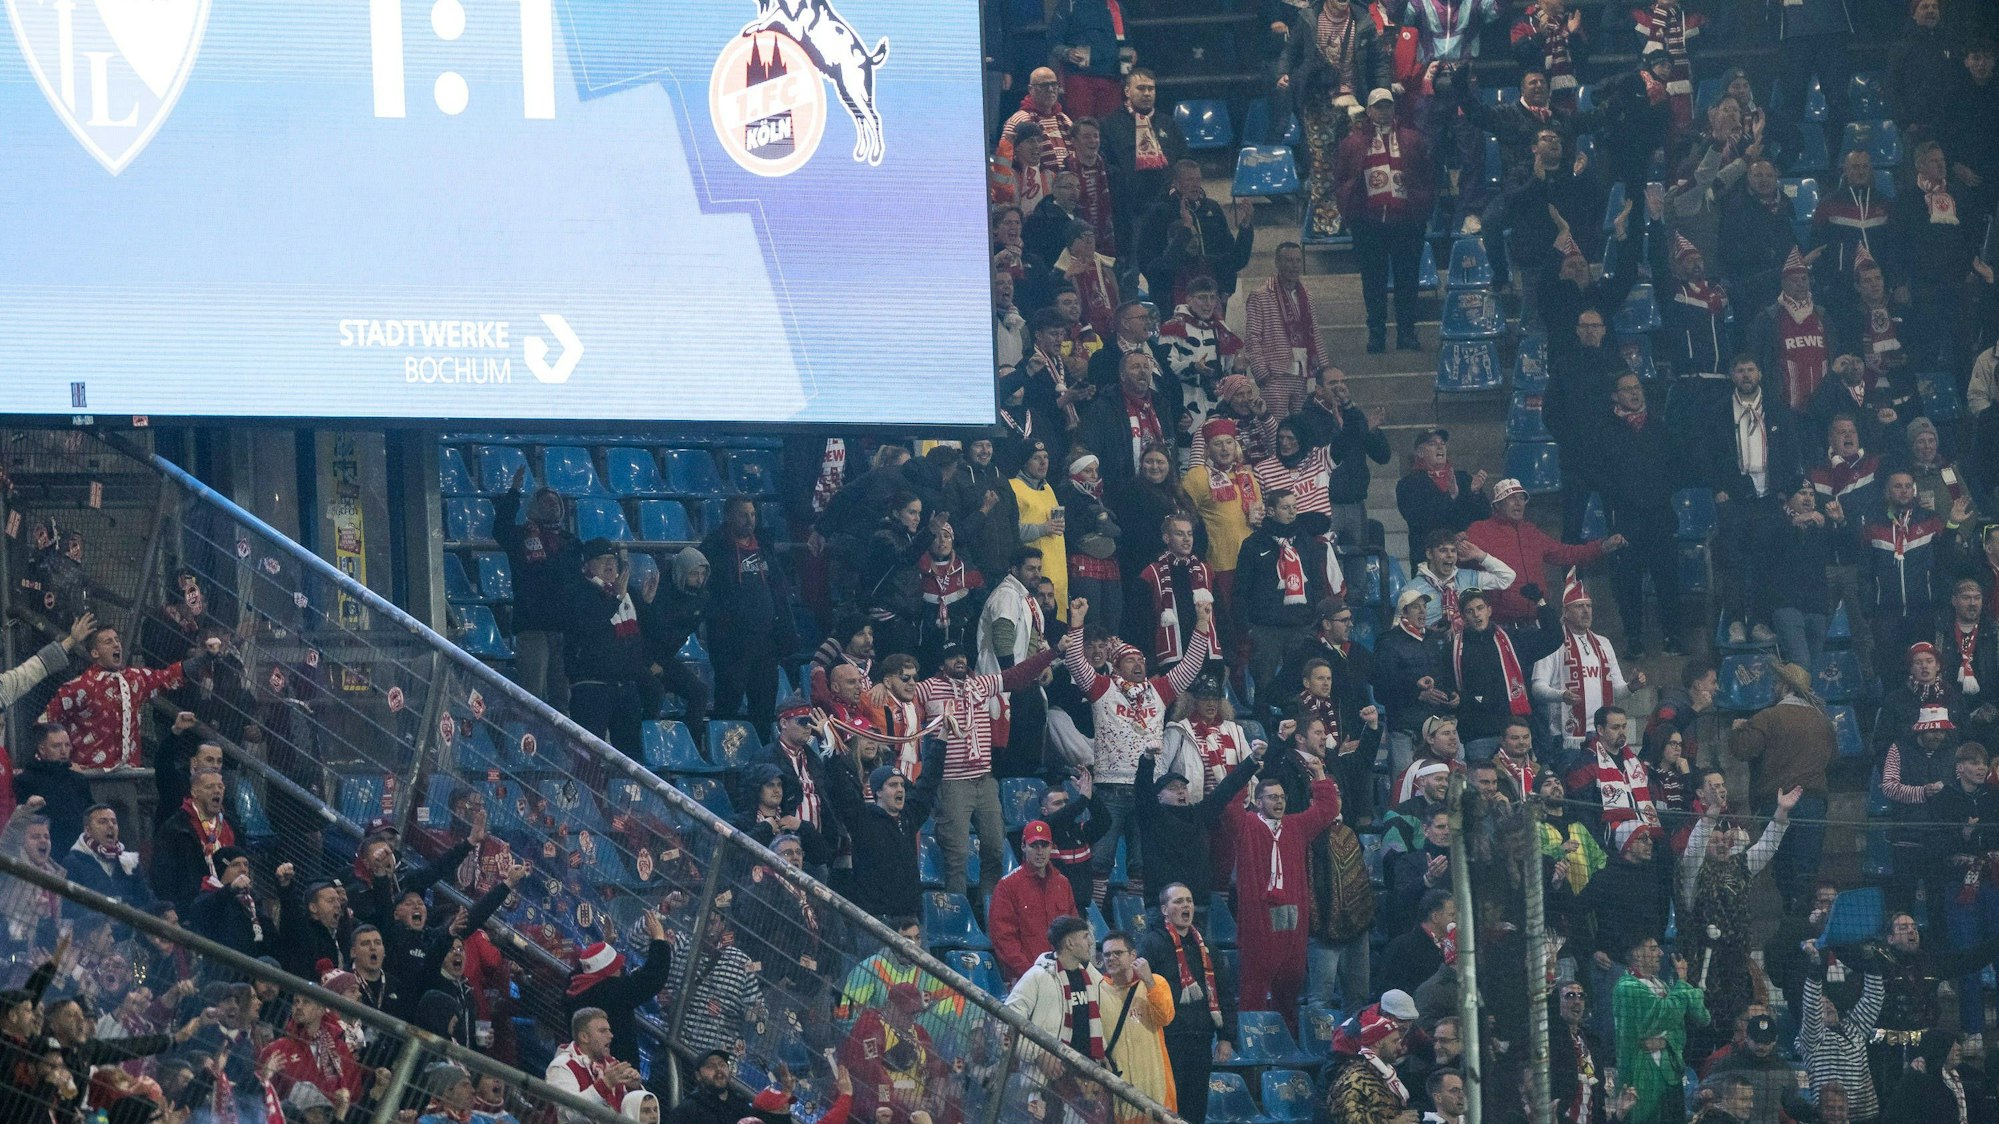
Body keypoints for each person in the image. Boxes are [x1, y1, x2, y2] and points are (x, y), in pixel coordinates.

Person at [1062, 597, 1213, 899]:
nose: (1139, 663)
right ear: (1116, 666)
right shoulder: (1102, 688)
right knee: (1100, 863)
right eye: (1131, 660)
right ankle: (1096, 921)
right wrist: (1076, 623)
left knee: (1142, 866)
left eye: (1142, 660)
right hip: (1109, 790)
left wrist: (1202, 624)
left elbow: (1191, 665)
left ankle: (1134, 922)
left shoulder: (1158, 691)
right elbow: (1077, 663)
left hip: (1147, 792)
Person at [918, 628, 1059, 908]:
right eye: (950, 657)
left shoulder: (981, 684)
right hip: (952, 783)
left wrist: (1053, 653)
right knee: (956, 855)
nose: (958, 660)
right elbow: (899, 691)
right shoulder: (927, 688)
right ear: (940, 663)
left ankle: (992, 913)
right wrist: (881, 685)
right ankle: (956, 915)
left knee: (995, 849)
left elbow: (1018, 675)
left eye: (961, 654)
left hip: (985, 780)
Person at [1225, 753, 1343, 1031]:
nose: (1279, 802)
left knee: (1291, 976)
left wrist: (1319, 775)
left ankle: (1286, 1036)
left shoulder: (1296, 826)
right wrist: (1248, 768)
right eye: (1271, 797)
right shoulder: (1247, 825)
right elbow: (1229, 805)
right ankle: (1251, 1036)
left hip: (1292, 912)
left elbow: (1326, 809)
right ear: (1257, 801)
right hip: (1259, 912)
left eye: (1281, 797)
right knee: (1256, 976)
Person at [1696, 356, 1802, 645]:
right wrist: (1718, 489)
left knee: (1766, 563)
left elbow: (1792, 452)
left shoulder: (1778, 410)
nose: (1746, 375)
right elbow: (1706, 454)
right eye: (1740, 370)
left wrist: (1785, 488)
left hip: (1769, 497)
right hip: (1734, 498)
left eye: (1750, 370)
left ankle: (1760, 621)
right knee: (1733, 563)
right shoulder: (1718, 412)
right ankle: (1734, 622)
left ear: (1760, 374)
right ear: (1732, 375)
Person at [1276, 0, 1390, 239]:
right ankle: (1326, 220)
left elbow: (1379, 61)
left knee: (1359, 160)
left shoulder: (1364, 21)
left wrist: (1382, 94)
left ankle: (1358, 216)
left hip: (1354, 103)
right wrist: (1283, 73)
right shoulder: (1309, 19)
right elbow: (1290, 51)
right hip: (1318, 101)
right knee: (1322, 162)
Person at [1725, 662, 1834, 908]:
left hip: (1775, 801)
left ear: (1785, 687)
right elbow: (1833, 756)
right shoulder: (1822, 721)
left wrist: (1736, 731)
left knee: (1782, 866)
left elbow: (1743, 750)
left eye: (1776, 683)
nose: (1773, 686)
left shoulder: (1768, 717)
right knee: (1806, 869)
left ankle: (1789, 917)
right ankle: (1803, 919)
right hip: (1813, 801)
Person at [1335, 89, 1435, 352]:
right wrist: (1351, 213)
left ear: (1394, 108)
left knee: (1407, 280)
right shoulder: (1353, 143)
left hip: (1406, 221)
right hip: (1368, 222)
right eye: (1378, 107)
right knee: (1373, 282)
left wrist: (1422, 208)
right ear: (1369, 111)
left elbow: (1427, 175)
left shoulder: (1412, 139)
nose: (1383, 111)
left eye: (1387, 106)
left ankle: (1407, 333)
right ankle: (1376, 334)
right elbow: (1342, 179)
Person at [1135, 883, 1236, 1123]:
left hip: (1201, 1039)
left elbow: (1224, 991)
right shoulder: (1151, 943)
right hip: (1167, 1040)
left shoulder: (1206, 945)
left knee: (1196, 1107)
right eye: (1178, 901)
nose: (1186, 906)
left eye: (1188, 900)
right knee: (1169, 1107)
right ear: (1164, 909)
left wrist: (1226, 1036)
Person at [1464, 477, 1617, 628]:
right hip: (1500, 625)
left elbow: (1565, 553)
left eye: (1521, 498)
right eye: (1511, 498)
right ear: (1497, 505)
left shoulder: (1531, 532)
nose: (1518, 503)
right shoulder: (1479, 531)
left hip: (1534, 622)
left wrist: (1602, 546)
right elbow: (1456, 560)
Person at [700, 496, 795, 731]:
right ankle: (724, 756)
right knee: (728, 702)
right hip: (731, 643)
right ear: (728, 516)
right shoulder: (714, 547)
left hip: (766, 640)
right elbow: (706, 593)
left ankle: (761, 753)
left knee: (764, 705)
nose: (749, 520)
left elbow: (778, 588)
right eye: (743, 514)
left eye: (753, 514)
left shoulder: (764, 545)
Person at [1533, 574, 1644, 751]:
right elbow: (1537, 688)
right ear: (1566, 612)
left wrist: (1631, 687)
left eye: (1589, 606)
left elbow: (1617, 690)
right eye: (1579, 606)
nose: (1586, 611)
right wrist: (1562, 695)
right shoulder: (1553, 642)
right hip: (1567, 735)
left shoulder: (1603, 643)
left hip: (1602, 732)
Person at [493, 477, 577, 708]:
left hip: (562, 628)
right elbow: (499, 528)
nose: (554, 505)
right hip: (532, 626)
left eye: (556, 502)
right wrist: (514, 492)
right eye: (547, 501)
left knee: (563, 697)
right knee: (532, 695)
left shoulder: (570, 543)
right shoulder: (521, 537)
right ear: (535, 507)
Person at [1613, 936, 1710, 1124]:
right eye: (1653, 949)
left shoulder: (1662, 985)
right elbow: (1664, 1014)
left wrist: (1665, 1041)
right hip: (1641, 1079)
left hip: (1671, 1075)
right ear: (1637, 954)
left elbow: (1681, 1029)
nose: (1661, 953)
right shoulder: (1626, 987)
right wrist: (1683, 982)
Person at [1135, 160, 1257, 308]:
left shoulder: (1212, 208)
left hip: (1212, 298)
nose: (1196, 184)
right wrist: (1185, 229)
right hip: (1171, 298)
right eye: (1190, 179)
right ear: (1176, 182)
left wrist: (1245, 227)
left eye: (1198, 179)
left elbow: (1234, 258)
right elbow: (1148, 261)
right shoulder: (1159, 212)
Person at [1099, 69, 1186, 269]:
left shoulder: (1168, 124)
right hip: (1130, 212)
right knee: (1132, 269)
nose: (1147, 93)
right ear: (1127, 91)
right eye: (1141, 88)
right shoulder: (1110, 125)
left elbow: (1183, 159)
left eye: (1151, 89)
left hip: (1167, 208)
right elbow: (1105, 165)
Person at [1005, 915, 1110, 1065]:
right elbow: (1006, 1020)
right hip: (1050, 1079)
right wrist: (1038, 1055)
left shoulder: (1091, 977)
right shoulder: (1037, 976)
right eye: (1085, 937)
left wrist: (1102, 1051)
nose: (1091, 942)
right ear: (1070, 943)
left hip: (1087, 1070)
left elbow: (1091, 1025)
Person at [1747, 248, 1841, 412]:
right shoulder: (1767, 318)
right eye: (1794, 280)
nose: (1800, 284)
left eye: (1804, 279)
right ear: (1783, 283)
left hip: (1824, 407)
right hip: (1784, 409)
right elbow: (1757, 359)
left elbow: (1834, 353)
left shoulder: (1823, 316)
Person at [1095, 931, 1175, 1122]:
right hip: (1118, 1093)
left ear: (1133, 956)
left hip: (1156, 1089)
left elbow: (1165, 1017)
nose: (1111, 958)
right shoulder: (1098, 989)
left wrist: (1149, 982)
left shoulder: (1156, 982)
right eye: (1106, 955)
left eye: (1118, 953)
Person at [1243, 243, 1329, 419]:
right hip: (1276, 374)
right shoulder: (1260, 295)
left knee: (1303, 428)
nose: (1294, 265)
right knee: (1274, 429)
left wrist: (1324, 369)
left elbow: (1315, 333)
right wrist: (1262, 374)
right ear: (1277, 262)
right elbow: (1252, 338)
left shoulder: (1308, 295)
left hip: (1304, 373)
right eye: (1289, 260)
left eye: (1298, 260)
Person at [990, 820, 1080, 984]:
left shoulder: (1062, 883)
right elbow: (1004, 940)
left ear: (1051, 846)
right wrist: (1032, 975)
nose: (1040, 852)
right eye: (1034, 845)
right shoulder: (1007, 886)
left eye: (1044, 845)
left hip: (1062, 977)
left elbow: (1074, 933)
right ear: (1023, 846)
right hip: (1024, 980)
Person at [1395, 430, 1488, 568]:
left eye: (1442, 443)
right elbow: (1420, 519)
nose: (1440, 447)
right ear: (1420, 452)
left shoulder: (1463, 478)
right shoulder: (1408, 484)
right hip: (1429, 562)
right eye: (1432, 444)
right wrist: (1451, 496)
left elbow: (1484, 515)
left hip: (1464, 560)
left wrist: (1475, 493)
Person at [1136, 515, 1214, 671]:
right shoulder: (1151, 574)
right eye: (1180, 534)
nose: (1186, 539)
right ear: (1166, 538)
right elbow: (1143, 625)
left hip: (1208, 659)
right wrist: (1151, 668)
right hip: (1171, 662)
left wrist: (1227, 660)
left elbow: (1221, 618)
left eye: (1189, 534)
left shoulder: (1206, 571)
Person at [1323, 1008, 1416, 1124]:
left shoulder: (1383, 1073)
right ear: (1377, 1043)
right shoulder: (1355, 1077)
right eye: (1394, 1042)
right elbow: (1347, 1119)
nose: (1400, 1047)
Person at [1887, 1030, 1973, 1122]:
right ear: (1939, 1047)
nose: (1958, 1047)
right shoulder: (1919, 1081)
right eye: (1952, 1043)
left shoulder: (1955, 1076)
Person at [663, 1049, 755, 1124]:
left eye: (722, 1065)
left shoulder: (742, 1106)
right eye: (711, 1066)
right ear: (698, 1075)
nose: (719, 1069)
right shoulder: (688, 1110)